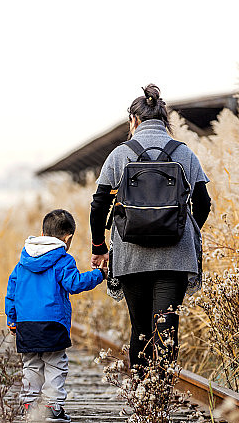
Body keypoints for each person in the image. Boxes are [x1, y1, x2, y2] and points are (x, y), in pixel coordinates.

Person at [90, 84, 211, 371]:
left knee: (141, 328)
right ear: (165, 120)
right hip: (175, 256)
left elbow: (98, 205)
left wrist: (99, 247)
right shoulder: (184, 153)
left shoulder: (120, 155)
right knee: (167, 329)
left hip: (131, 256)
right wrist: (185, 231)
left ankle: (143, 400)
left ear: (134, 120)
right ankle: (162, 400)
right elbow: (203, 203)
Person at [6, 208, 107, 422]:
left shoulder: (22, 262)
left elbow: (12, 291)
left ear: (42, 234)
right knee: (55, 363)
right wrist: (99, 274)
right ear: (67, 238)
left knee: (31, 364)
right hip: (52, 322)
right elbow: (74, 283)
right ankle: (52, 407)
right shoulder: (63, 260)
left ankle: (29, 405)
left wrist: (12, 318)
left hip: (26, 323)